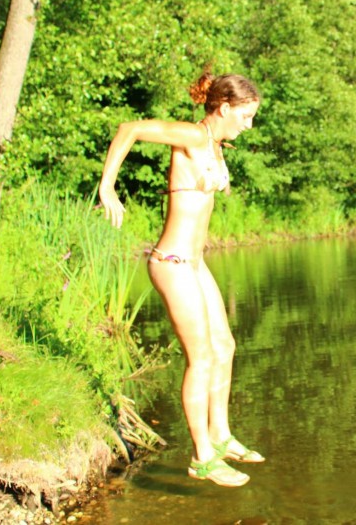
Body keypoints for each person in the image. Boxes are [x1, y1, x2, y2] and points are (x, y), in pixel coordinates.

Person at [98, 69, 264, 487]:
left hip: (194, 263)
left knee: (225, 346)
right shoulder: (192, 135)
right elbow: (130, 128)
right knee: (202, 357)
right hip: (171, 262)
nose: (250, 125)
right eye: (246, 116)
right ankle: (202, 457)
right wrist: (108, 187)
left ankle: (222, 436)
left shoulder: (216, 146)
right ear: (224, 108)